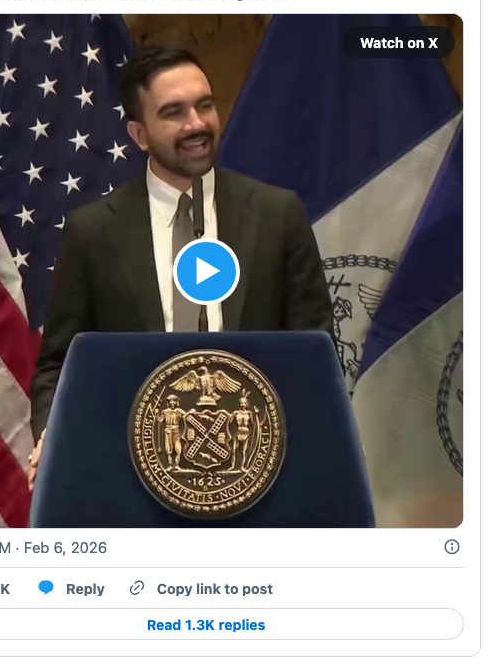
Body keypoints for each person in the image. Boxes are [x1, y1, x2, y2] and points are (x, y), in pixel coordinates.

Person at [28, 46, 333, 488]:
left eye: (204, 105)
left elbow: (315, 350)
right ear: (139, 134)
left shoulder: (277, 214)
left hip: (260, 467)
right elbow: (59, 365)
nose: (196, 124)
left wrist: (318, 440)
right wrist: (52, 437)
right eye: (174, 112)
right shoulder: (93, 231)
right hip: (129, 473)